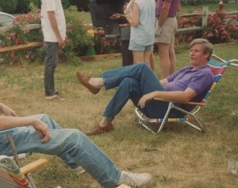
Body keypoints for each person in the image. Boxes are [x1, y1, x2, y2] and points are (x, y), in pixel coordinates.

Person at [0, 33, 152, 188]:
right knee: (74, 137)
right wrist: (28, 121)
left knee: (45, 118)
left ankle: (78, 164)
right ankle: (118, 180)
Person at [75, 38, 215, 136]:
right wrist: (145, 86)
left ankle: (98, 83)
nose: (191, 53)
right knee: (129, 81)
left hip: (169, 108)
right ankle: (105, 123)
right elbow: (163, 82)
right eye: (191, 50)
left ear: (206, 54)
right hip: (158, 103)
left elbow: (186, 97)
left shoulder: (205, 74)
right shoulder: (186, 69)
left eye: (196, 51)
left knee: (142, 67)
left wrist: (153, 94)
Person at [40, 0, 66, 101]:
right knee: (50, 63)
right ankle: (50, 94)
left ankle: (51, 89)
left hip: (54, 36)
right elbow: (51, 16)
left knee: (53, 63)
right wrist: (59, 37)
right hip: (52, 36)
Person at [154, 0, 182, 78]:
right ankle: (171, 79)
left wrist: (159, 25)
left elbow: (166, 7)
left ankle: (164, 83)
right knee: (171, 52)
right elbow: (178, 6)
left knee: (163, 54)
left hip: (165, 21)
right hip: (171, 20)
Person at [123, 0, 156, 68]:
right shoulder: (152, 1)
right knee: (146, 62)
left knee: (139, 64)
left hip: (139, 38)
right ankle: (148, 81)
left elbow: (134, 23)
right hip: (149, 36)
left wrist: (128, 17)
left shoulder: (137, 3)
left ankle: (142, 82)